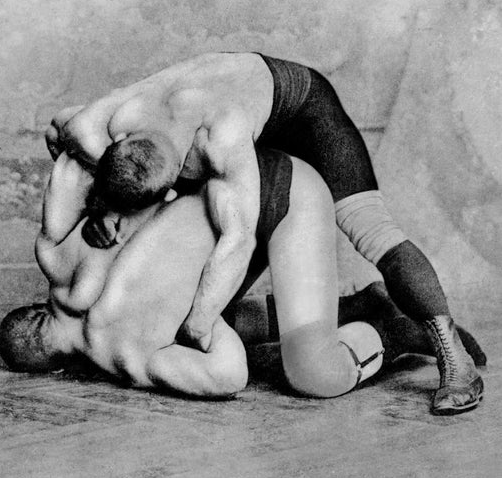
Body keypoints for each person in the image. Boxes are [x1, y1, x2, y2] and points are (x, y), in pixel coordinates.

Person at [45, 52, 483, 414]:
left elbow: (239, 241)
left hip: (303, 111)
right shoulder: (91, 127)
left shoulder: (221, 139)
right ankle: (354, 307)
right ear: (118, 140)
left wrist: (200, 325)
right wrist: (104, 206)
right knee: (179, 300)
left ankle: (451, 356)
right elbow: (57, 131)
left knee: (370, 229)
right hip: (227, 128)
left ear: (177, 174)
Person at [0, 148, 483, 400]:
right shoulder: (59, 257)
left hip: (282, 198)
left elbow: (230, 375)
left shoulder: (129, 359)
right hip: (242, 178)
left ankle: (393, 333)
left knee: (315, 374)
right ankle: (361, 305)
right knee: (192, 321)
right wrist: (108, 206)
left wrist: (208, 318)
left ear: (58, 369)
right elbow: (74, 152)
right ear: (36, 309)